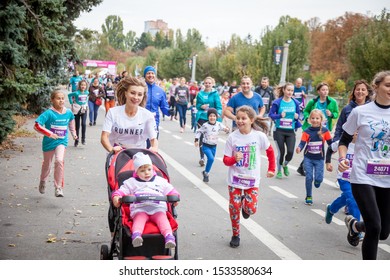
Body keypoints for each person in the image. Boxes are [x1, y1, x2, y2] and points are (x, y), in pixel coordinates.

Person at [338, 71, 390, 260]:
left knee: (383, 232)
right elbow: (344, 140)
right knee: (374, 226)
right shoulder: (360, 112)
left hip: (387, 177)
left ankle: (355, 226)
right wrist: (343, 159)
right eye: (388, 85)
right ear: (376, 87)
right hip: (363, 175)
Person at [223, 105, 275, 248]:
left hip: (252, 181)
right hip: (235, 180)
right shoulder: (232, 137)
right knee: (234, 207)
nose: (240, 121)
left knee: (251, 209)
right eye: (238, 118)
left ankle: (246, 209)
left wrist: (271, 169)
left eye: (243, 118)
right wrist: (234, 159)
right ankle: (235, 234)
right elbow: (226, 160)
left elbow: (270, 152)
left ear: (251, 120)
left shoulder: (259, 136)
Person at [111, 152, 179, 248]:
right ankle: (136, 236)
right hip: (140, 209)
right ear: (136, 172)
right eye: (142, 171)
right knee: (139, 220)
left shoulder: (160, 181)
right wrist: (116, 196)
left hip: (157, 208)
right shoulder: (132, 182)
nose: (146, 172)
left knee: (163, 220)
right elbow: (122, 190)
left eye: (149, 169)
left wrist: (174, 196)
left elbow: (170, 190)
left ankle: (169, 237)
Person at [34, 89, 77, 197]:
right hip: (49, 143)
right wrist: (49, 134)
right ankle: (43, 181)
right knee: (47, 165)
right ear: (52, 100)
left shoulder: (68, 112)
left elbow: (71, 121)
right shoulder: (49, 113)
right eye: (58, 98)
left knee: (59, 161)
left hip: (62, 141)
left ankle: (58, 188)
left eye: (62, 98)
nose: (61, 101)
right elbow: (37, 125)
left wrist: (73, 133)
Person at [100, 76, 158, 154]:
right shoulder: (113, 112)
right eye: (132, 93)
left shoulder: (148, 115)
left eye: (140, 94)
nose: (136, 97)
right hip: (117, 154)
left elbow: (153, 139)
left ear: (143, 96)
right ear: (126, 93)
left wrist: (154, 148)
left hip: (139, 155)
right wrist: (111, 149)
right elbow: (104, 137)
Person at [297, 82, 339, 176]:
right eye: (323, 90)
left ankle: (303, 166)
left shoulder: (333, 102)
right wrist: (308, 118)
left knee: (317, 148)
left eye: (327, 90)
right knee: (312, 147)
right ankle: (304, 166)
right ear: (319, 91)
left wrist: (331, 114)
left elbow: (336, 114)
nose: (325, 92)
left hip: (324, 128)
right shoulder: (313, 102)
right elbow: (306, 111)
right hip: (311, 127)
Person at [325, 135, 361, 236]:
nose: (357, 133)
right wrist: (328, 162)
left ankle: (331, 208)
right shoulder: (343, 142)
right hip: (344, 178)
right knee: (353, 200)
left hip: (359, 179)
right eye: (355, 130)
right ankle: (357, 229)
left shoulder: (365, 143)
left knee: (346, 198)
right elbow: (330, 148)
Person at [296, 109, 333, 205]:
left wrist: (336, 147)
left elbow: (331, 144)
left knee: (319, 179)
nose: (315, 120)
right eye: (313, 118)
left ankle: (317, 181)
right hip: (308, 158)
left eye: (317, 118)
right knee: (308, 177)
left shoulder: (325, 131)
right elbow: (302, 143)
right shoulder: (307, 131)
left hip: (319, 159)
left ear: (321, 119)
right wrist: (299, 148)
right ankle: (309, 195)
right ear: (309, 119)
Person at [269, 82, 302, 179]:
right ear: (284, 90)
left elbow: (299, 116)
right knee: (281, 152)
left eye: (292, 90)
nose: (290, 92)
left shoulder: (295, 102)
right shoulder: (277, 102)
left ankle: (285, 164)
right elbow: (271, 115)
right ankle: (279, 171)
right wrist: (279, 116)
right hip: (279, 131)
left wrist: (297, 117)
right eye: (288, 90)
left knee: (291, 152)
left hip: (290, 131)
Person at [195, 108, 229, 182]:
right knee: (211, 159)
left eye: (214, 116)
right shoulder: (205, 125)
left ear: (216, 117)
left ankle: (205, 172)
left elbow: (224, 128)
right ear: (208, 117)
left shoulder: (218, 124)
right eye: (210, 116)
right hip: (206, 146)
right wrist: (196, 140)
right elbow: (199, 131)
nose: (212, 117)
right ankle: (206, 173)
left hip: (214, 146)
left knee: (211, 160)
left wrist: (227, 129)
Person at [195, 76, 223, 166]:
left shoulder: (215, 94)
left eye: (209, 83)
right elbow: (197, 105)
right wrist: (201, 106)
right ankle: (202, 157)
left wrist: (217, 113)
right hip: (202, 117)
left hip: (212, 118)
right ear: (204, 84)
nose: (207, 84)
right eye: (206, 83)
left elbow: (219, 106)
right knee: (202, 136)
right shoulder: (200, 94)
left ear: (212, 84)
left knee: (210, 137)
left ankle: (210, 155)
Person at [144, 66, 170, 138]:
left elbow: (164, 106)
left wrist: (169, 111)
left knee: (152, 147)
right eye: (148, 73)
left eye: (152, 73)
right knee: (141, 148)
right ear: (145, 76)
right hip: (140, 123)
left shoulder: (160, 91)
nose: (150, 75)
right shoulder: (141, 88)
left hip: (154, 123)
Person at [68, 80, 89, 146]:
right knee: (77, 126)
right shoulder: (77, 93)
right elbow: (69, 95)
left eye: (84, 85)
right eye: (82, 85)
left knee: (84, 124)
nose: (83, 86)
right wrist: (71, 102)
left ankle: (83, 139)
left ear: (86, 86)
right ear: (79, 86)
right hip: (77, 110)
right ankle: (76, 140)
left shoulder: (87, 92)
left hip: (84, 109)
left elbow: (86, 99)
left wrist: (85, 104)